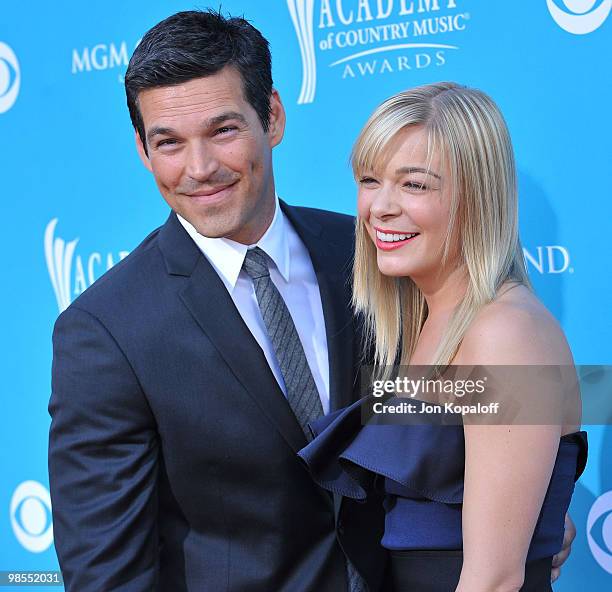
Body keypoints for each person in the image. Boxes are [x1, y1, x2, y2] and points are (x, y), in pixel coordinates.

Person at [47, 9, 387, 591]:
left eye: (223, 130)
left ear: (272, 117)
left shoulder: (366, 252)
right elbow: (110, 576)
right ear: (143, 151)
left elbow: (457, 390)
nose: (199, 169)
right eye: (170, 142)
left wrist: (535, 499)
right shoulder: (106, 331)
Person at [299, 82, 587, 591]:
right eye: (370, 180)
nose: (380, 207)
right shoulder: (420, 326)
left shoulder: (506, 332)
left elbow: (493, 579)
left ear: (476, 197)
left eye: (414, 185)